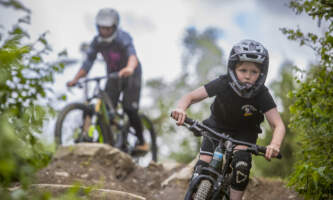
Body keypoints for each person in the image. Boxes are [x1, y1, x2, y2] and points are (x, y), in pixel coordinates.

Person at [171, 39, 286, 200]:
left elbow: (278, 124)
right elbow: (191, 97)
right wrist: (181, 109)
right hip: (215, 127)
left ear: (262, 73)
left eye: (253, 72)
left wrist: (274, 145)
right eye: (243, 70)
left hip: (244, 136)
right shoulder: (223, 83)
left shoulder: (262, 94)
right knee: (203, 164)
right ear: (233, 69)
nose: (248, 76)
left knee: (241, 165)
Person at [67, 8, 148, 152]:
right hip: (113, 76)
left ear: (114, 27)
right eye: (101, 27)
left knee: (129, 108)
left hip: (132, 74)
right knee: (106, 110)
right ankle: (110, 140)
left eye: (107, 28)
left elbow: (132, 55)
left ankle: (142, 142)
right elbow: (87, 64)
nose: (104, 31)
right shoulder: (97, 42)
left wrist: (129, 68)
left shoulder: (123, 37)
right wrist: (75, 79)